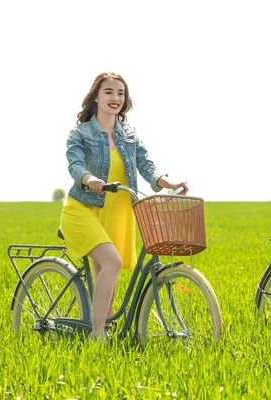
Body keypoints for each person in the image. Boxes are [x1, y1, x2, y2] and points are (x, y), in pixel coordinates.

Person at [59, 72, 188, 341]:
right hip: (83, 208)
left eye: (120, 93)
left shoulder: (128, 134)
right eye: (108, 92)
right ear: (96, 96)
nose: (115, 98)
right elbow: (75, 165)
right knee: (112, 262)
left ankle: (102, 328)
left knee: (109, 274)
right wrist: (89, 178)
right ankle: (97, 336)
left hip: (117, 211)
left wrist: (167, 181)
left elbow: (146, 165)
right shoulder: (80, 133)